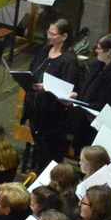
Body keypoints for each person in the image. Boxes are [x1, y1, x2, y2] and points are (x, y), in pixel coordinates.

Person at [22, 18, 82, 165]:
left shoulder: (68, 60)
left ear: (64, 36)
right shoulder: (44, 50)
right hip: (35, 109)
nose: (49, 36)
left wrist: (46, 87)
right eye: (48, 32)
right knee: (38, 150)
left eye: (53, 34)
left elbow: (67, 89)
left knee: (48, 154)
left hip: (52, 115)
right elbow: (33, 69)